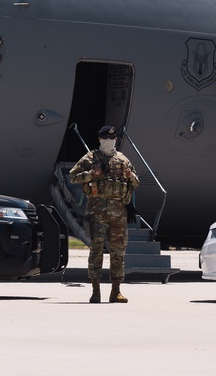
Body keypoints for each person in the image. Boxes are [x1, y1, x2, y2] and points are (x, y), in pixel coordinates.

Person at [69, 125, 140, 303]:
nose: (109, 141)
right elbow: (73, 177)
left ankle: (115, 291)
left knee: (118, 252)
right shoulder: (90, 158)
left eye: (112, 139)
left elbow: (136, 183)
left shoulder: (123, 159)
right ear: (100, 139)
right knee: (96, 250)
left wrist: (130, 175)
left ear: (116, 140)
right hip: (97, 212)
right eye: (106, 139)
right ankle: (96, 291)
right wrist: (92, 173)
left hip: (119, 214)